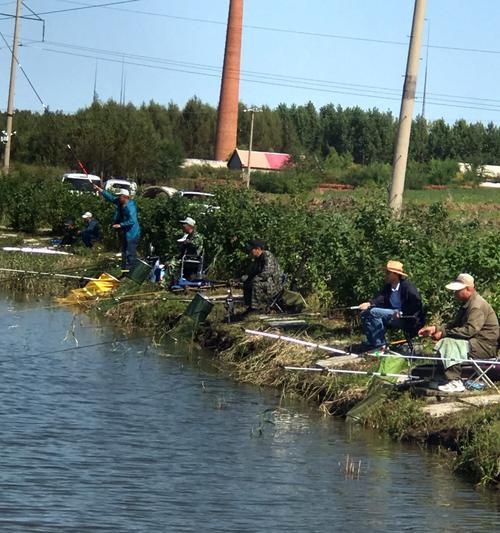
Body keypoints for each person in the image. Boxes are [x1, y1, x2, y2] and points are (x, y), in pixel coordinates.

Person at [418, 274, 499, 393]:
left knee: (449, 343)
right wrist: (435, 328)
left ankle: (455, 381)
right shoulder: (467, 303)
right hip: (475, 343)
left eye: (457, 290)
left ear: (469, 289)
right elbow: (455, 324)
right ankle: (444, 377)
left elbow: (469, 331)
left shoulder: (476, 306)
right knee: (446, 341)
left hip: (485, 346)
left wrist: (443, 334)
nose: (454, 293)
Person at [357, 260, 424, 351]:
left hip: (406, 318)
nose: (385, 274)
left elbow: (416, 304)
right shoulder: (388, 287)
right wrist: (369, 304)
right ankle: (373, 343)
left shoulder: (408, 287)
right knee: (364, 313)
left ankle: (380, 346)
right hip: (392, 315)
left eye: (388, 272)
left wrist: (401, 313)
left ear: (395, 274)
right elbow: (380, 298)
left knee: (373, 312)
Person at [94, 185, 140, 271]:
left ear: (125, 197)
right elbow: (111, 198)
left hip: (132, 234)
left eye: (120, 196)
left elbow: (132, 221)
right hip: (125, 233)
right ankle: (125, 271)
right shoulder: (120, 202)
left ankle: (130, 272)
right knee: (125, 252)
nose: (118, 197)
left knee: (129, 253)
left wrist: (120, 225)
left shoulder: (130, 207)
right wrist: (100, 190)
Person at [243, 240, 283, 312]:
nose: (250, 252)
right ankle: (249, 306)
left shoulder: (267, 256)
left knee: (255, 284)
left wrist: (255, 279)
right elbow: (253, 272)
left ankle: (256, 308)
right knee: (246, 283)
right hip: (266, 282)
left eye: (252, 250)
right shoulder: (257, 259)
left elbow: (267, 272)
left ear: (258, 249)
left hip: (273, 284)